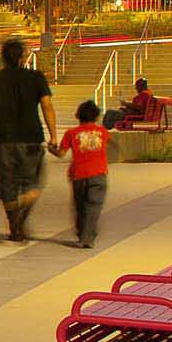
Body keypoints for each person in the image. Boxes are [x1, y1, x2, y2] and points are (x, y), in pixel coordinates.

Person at [0, 37, 57, 242]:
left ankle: (15, 226)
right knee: (34, 185)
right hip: (31, 139)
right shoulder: (36, 78)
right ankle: (21, 212)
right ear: (22, 58)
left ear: (2, 58)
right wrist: (54, 135)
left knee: (7, 188)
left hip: (3, 141)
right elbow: (47, 106)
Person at [56, 98, 112, 249]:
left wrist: (51, 149)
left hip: (79, 175)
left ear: (77, 116)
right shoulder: (102, 132)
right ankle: (88, 237)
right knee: (93, 206)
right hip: (99, 174)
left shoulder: (71, 133)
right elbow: (109, 143)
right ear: (96, 116)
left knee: (80, 207)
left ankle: (83, 234)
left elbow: (61, 153)